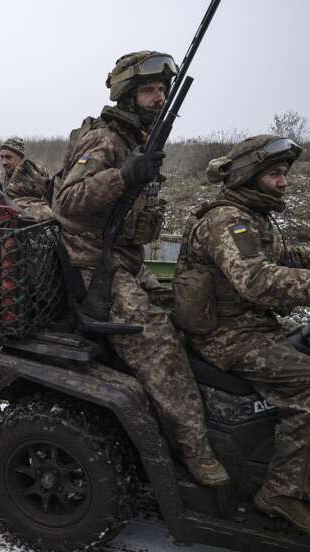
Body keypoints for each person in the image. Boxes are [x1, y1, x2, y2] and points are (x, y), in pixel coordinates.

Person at [173, 134, 310, 537]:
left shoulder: (253, 217)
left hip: (254, 326)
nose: (283, 182)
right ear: (250, 176)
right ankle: (283, 493)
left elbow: (284, 256)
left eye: (284, 174)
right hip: (228, 336)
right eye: (275, 174)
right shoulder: (228, 221)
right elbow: (258, 281)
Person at [52, 51, 229, 487]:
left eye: (163, 90)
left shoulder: (137, 140)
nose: (159, 97)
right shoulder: (107, 141)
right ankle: (194, 450)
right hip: (90, 263)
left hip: (123, 261)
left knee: (190, 310)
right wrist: (124, 175)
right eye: (150, 90)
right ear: (128, 96)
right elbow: (66, 204)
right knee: (159, 343)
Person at [0, 137, 53, 221]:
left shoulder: (34, 173)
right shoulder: (2, 176)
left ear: (21, 158)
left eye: (8, 157)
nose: (4, 162)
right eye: (2, 157)